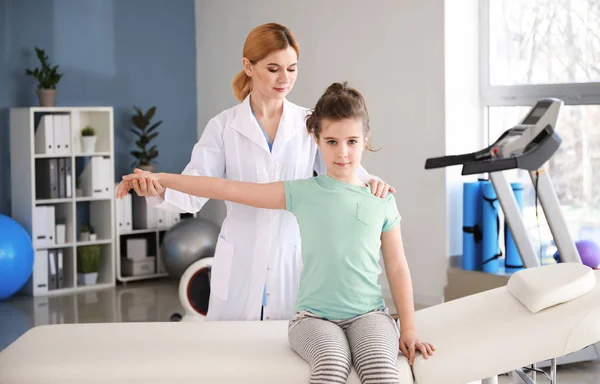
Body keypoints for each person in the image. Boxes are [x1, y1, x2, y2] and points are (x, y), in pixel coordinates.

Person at [117, 81, 435, 382]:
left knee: (382, 371)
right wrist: (163, 180)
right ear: (316, 140)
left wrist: (408, 329)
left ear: (365, 139)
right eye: (332, 142)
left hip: (371, 315)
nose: (342, 153)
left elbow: (397, 266)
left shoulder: (381, 198)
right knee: (331, 365)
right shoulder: (304, 192)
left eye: (352, 142)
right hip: (314, 319)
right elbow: (226, 187)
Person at [122, 22, 394, 322]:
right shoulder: (223, 126)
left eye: (292, 69)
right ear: (248, 66)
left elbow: (345, 167)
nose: (285, 79)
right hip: (240, 255)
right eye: (273, 68)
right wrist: (158, 188)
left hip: (292, 256)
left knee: (290, 351)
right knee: (233, 355)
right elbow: (197, 188)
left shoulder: (309, 123)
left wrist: (373, 182)